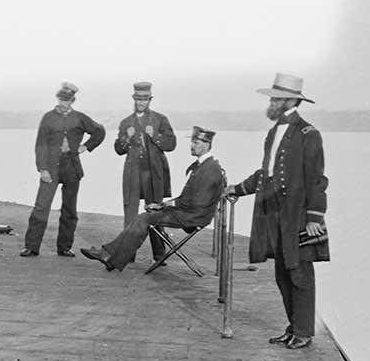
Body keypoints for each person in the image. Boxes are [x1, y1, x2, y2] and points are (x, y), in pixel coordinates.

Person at [227, 73, 329, 350]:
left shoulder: (309, 134)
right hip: (273, 213)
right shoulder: (274, 132)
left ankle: (304, 331)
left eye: (275, 98)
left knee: (300, 272)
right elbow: (267, 174)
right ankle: (293, 327)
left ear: (290, 100)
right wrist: (238, 188)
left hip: (298, 215)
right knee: (282, 273)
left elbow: (316, 179)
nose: (270, 103)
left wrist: (314, 218)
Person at [81, 126, 225, 271]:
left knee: (144, 218)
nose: (191, 146)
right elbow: (190, 198)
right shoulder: (205, 165)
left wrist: (165, 206)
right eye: (192, 142)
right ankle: (111, 257)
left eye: (196, 143)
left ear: (206, 145)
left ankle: (109, 255)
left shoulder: (210, 169)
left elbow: (198, 202)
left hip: (193, 216)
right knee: (145, 216)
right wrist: (162, 205)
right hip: (190, 212)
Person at [21, 82, 106, 258]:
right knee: (41, 207)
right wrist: (42, 168)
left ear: (72, 100)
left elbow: (99, 132)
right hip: (50, 169)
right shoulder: (48, 118)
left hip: (72, 169)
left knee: (69, 209)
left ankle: (65, 247)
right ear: (57, 98)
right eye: (61, 99)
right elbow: (40, 145)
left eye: (66, 100)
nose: (63, 103)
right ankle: (31, 246)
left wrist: (86, 147)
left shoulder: (80, 118)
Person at [114, 81, 177, 263]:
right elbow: (118, 149)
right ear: (134, 99)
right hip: (133, 174)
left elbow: (171, 144)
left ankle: (159, 255)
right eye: (138, 99)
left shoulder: (160, 120)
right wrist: (127, 137)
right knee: (131, 214)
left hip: (153, 174)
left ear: (150, 99)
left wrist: (155, 136)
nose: (141, 102)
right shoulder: (126, 122)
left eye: (145, 99)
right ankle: (128, 254)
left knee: (155, 213)